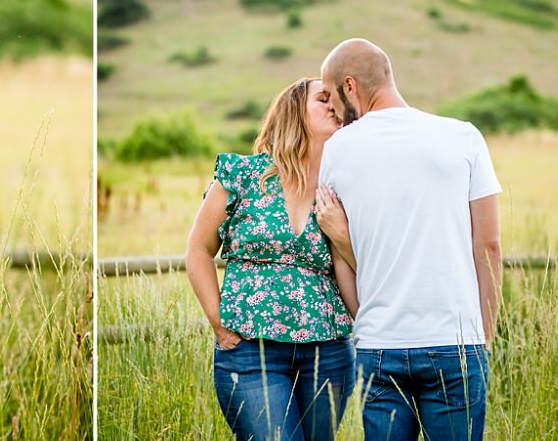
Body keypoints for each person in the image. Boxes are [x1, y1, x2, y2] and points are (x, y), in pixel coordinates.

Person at [315, 38, 502, 441]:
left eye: (330, 96)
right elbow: (488, 245)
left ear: (352, 87)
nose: (330, 109)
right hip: (456, 343)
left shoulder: (337, 150)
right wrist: (482, 336)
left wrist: (366, 322)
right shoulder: (464, 137)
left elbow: (340, 254)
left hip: (378, 344)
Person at [185, 77, 357, 441]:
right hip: (250, 351)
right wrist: (218, 321)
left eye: (337, 102)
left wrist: (341, 235)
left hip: (327, 354)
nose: (333, 107)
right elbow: (198, 249)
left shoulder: (343, 189)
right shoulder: (242, 176)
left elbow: (360, 267)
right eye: (322, 99)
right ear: (294, 111)